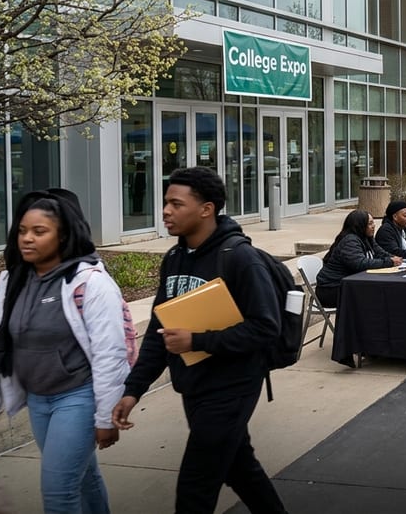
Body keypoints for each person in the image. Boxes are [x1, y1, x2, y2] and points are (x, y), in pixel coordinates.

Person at [112, 167, 287, 513]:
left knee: (195, 488)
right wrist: (133, 390)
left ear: (206, 209)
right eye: (166, 203)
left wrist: (198, 340)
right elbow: (159, 333)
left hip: (233, 387)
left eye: (176, 204)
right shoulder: (175, 259)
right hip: (194, 386)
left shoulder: (240, 258)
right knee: (240, 468)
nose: (165, 211)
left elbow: (266, 327)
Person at [0, 189, 130, 513]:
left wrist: (105, 416)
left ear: (63, 236)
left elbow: (109, 353)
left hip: (78, 396)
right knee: (83, 478)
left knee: (58, 491)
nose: (26, 239)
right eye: (22, 231)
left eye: (39, 232)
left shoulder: (89, 282)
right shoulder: (12, 279)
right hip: (38, 399)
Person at [314, 210, 402, 308]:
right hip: (331, 289)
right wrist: (389, 262)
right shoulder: (350, 241)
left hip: (350, 285)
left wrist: (395, 259)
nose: (373, 226)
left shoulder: (367, 238)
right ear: (359, 225)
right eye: (369, 223)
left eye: (373, 222)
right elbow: (360, 264)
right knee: (378, 295)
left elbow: (381, 253)